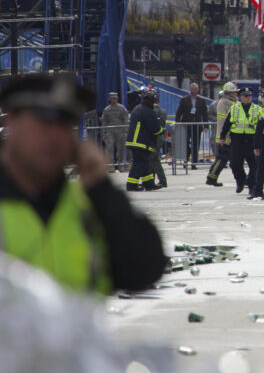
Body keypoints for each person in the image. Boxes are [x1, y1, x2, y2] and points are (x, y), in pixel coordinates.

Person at [0, 73, 167, 294]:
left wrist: (102, 187)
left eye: (64, 124)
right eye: (43, 123)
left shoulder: (85, 204)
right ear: (11, 121)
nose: (54, 137)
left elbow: (144, 269)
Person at [219, 87, 259, 194]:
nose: (248, 98)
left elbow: (261, 125)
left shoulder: (257, 109)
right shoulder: (234, 108)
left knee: (254, 165)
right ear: (241, 97)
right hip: (237, 140)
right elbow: (227, 124)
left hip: (252, 140)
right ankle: (240, 181)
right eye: (245, 96)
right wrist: (222, 137)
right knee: (235, 164)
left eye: (249, 95)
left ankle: (251, 185)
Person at [125, 89, 163, 191]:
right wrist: (161, 130)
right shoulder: (148, 111)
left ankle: (149, 184)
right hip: (140, 142)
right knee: (140, 164)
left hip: (137, 142)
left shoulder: (138, 108)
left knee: (145, 164)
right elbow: (154, 128)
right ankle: (131, 185)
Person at [206, 82, 238, 187]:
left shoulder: (226, 102)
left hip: (225, 135)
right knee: (222, 158)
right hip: (227, 136)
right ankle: (211, 178)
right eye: (234, 92)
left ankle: (212, 177)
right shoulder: (227, 103)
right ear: (229, 93)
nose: (236, 94)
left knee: (223, 159)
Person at [175, 82, 208, 169]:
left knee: (196, 144)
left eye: (195, 89)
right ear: (190, 89)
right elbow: (179, 112)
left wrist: (206, 125)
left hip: (197, 125)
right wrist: (177, 123)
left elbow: (205, 114)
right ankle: (185, 161)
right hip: (186, 124)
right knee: (185, 143)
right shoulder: (184, 100)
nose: (194, 90)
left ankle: (194, 162)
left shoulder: (201, 100)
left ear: (198, 90)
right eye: (192, 88)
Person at [101, 91, 129, 171]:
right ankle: (111, 166)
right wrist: (103, 133)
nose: (114, 100)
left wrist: (126, 131)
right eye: (112, 98)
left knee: (120, 148)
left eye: (115, 98)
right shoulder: (106, 110)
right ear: (110, 99)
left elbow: (125, 120)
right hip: (110, 130)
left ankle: (120, 165)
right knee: (109, 148)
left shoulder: (122, 108)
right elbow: (104, 122)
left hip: (120, 130)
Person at [150, 98, 169, 189]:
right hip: (159, 137)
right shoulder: (163, 112)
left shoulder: (150, 111)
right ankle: (153, 180)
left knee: (154, 160)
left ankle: (161, 180)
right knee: (154, 159)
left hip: (152, 138)